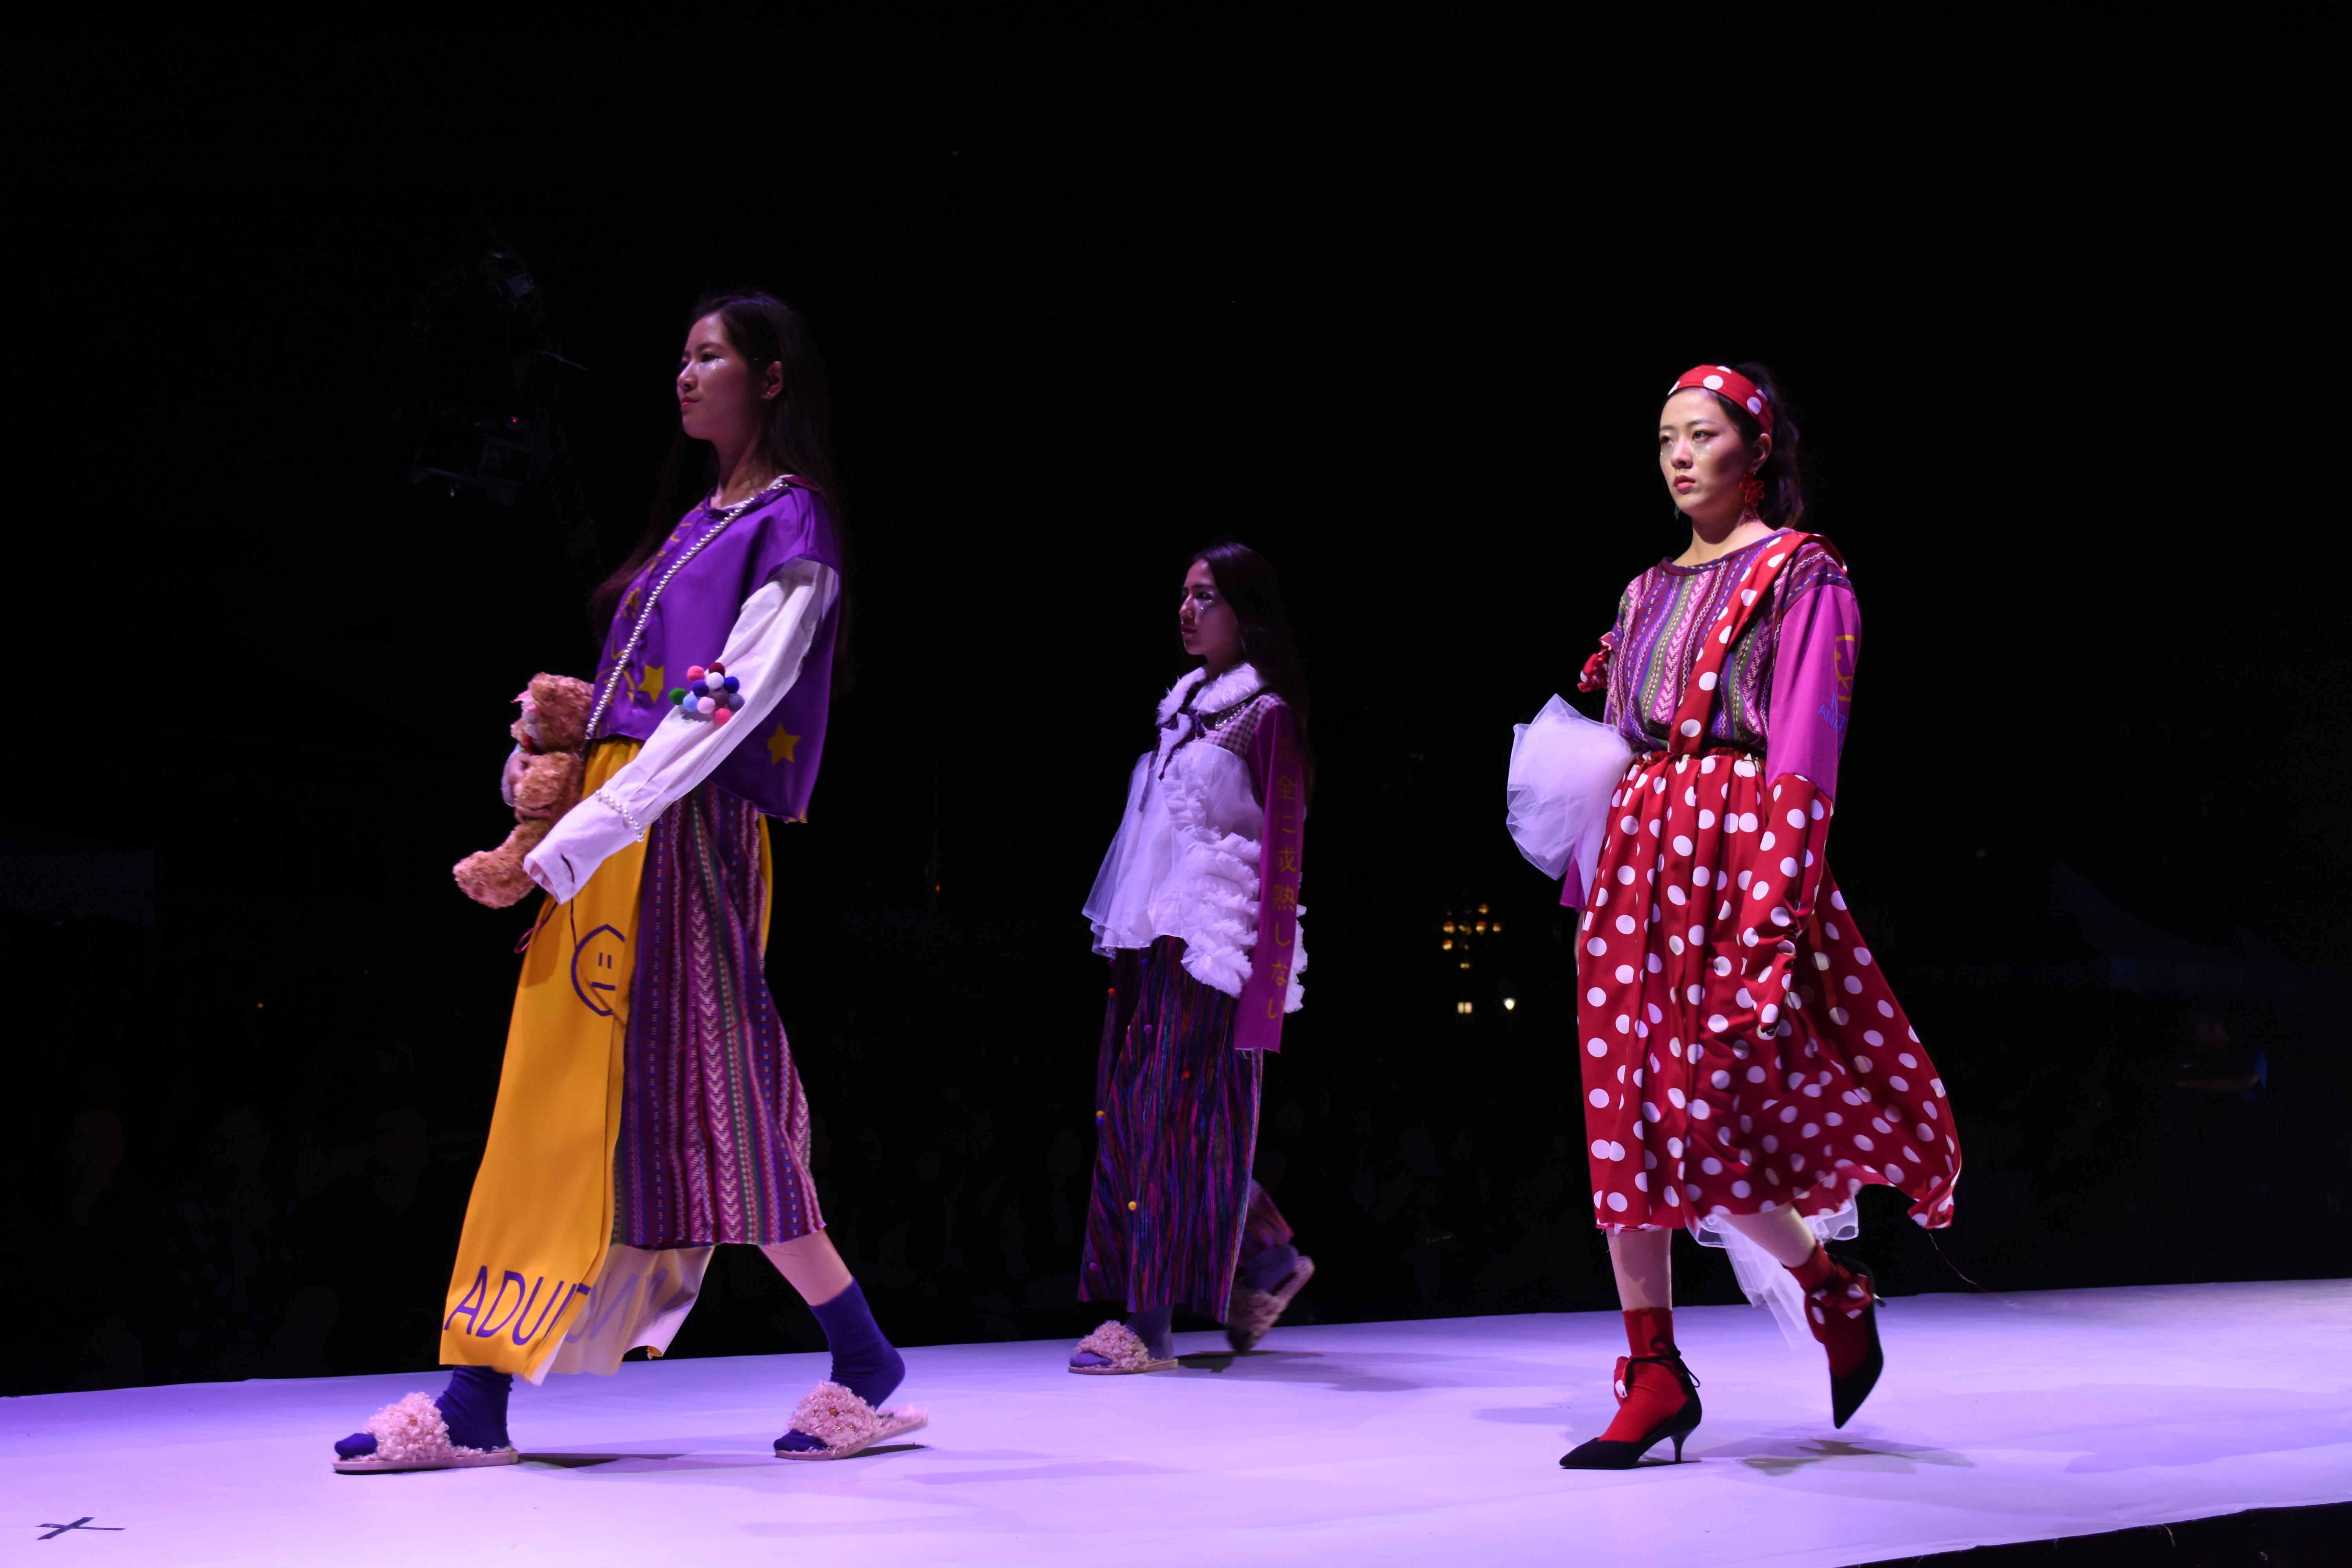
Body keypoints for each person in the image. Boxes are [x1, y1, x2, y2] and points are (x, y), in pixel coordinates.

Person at [333, 291, 920, 1472]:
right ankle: (479, 1391)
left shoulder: (792, 526)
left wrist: (596, 822)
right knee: (581, 1093)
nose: (685, 374)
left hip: (681, 832)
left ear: (772, 378)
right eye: (683, 356)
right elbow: (633, 704)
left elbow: (729, 703)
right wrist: (547, 775)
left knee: (717, 1093)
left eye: (711, 356)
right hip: (620, 830)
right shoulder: (702, 522)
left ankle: (858, 1361)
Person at [1531, 363, 1960, 1468]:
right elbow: (1617, 741)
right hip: (1637, 857)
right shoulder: (1644, 591)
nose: (1680, 456)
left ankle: (1827, 1282)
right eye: (1665, 437)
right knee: (1626, 1114)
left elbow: (1808, 752)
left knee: (1710, 1117)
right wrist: (1592, 882)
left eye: (1703, 434)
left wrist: (1774, 906)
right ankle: (1653, 1367)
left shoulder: (1803, 573)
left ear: (1757, 449)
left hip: (1735, 851)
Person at [1069, 544, 1317, 1372]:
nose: (1186, 610)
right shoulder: (1182, 709)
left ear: (1246, 610)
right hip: (1152, 933)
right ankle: (1270, 1257)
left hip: (1212, 945)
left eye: (1205, 596)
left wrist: (1266, 985)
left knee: (1171, 1121)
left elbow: (1283, 852)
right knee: (1138, 1115)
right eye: (1184, 594)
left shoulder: (1266, 714)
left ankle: (1150, 1327)